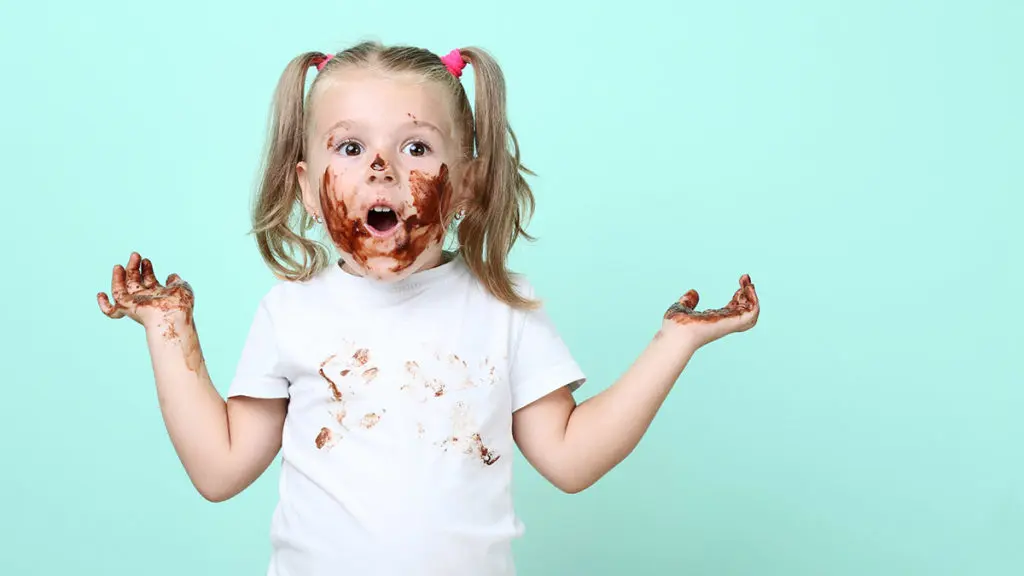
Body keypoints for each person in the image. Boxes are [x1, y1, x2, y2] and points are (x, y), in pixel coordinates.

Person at [96, 41, 760, 576]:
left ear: (467, 183)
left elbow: (571, 459)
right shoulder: (290, 312)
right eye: (349, 148)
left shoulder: (505, 307)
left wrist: (673, 342)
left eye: (416, 147)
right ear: (305, 186)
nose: (381, 167)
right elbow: (219, 469)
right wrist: (167, 328)